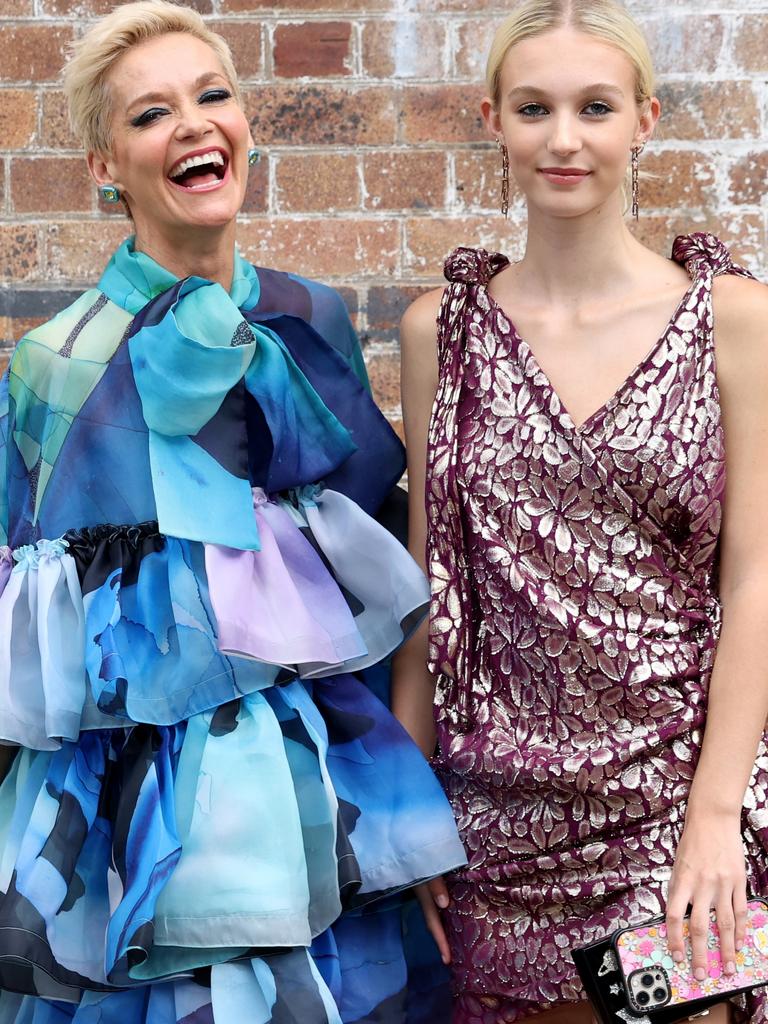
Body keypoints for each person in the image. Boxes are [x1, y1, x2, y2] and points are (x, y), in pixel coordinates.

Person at [0, 3, 467, 1022]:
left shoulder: (312, 320)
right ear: (102, 167)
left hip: (321, 803)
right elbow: (35, 655)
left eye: (214, 97)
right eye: (150, 114)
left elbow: (372, 568)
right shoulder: (55, 362)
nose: (195, 125)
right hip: (135, 835)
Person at [394, 1, 768, 1021]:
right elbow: (430, 585)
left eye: (595, 107)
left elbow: (756, 577)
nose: (564, 138)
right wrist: (400, 809)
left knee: (678, 1011)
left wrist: (716, 813)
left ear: (644, 119)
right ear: (494, 119)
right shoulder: (443, 333)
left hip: (670, 806)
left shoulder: (731, 320)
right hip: (492, 824)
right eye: (535, 107)